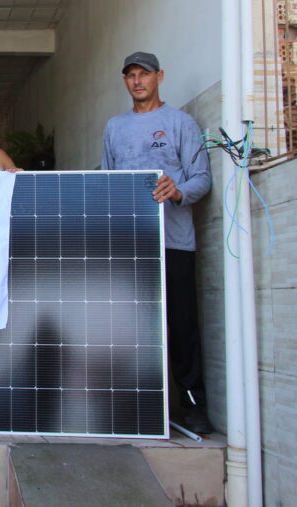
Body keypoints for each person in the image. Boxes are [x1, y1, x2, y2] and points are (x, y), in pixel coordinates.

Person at [101, 51, 213, 434]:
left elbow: (203, 178)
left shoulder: (181, 123)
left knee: (181, 329)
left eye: (144, 74)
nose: (137, 81)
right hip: (130, 249)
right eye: (130, 75)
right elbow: (108, 184)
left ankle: (194, 406)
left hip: (174, 242)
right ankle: (137, 408)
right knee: (131, 332)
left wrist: (177, 191)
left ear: (159, 77)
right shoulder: (114, 127)